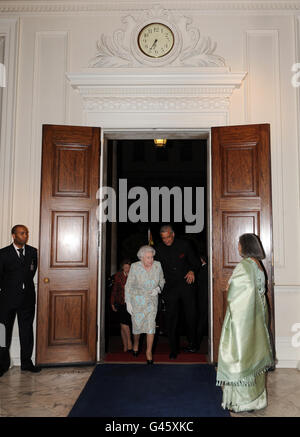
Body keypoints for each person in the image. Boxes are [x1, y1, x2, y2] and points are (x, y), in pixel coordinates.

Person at [216, 233, 274, 413]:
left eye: (239, 244)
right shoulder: (258, 265)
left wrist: (229, 288)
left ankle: (242, 402)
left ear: (245, 246)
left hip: (243, 321)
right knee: (254, 358)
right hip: (257, 319)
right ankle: (256, 400)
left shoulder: (244, 266)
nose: (237, 247)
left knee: (240, 357)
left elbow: (238, 294)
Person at [155, 225, 201, 359]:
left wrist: (192, 270)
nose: (166, 240)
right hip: (170, 287)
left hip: (187, 284)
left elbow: (196, 262)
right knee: (171, 318)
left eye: (168, 237)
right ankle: (173, 348)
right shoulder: (158, 248)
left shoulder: (185, 245)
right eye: (163, 238)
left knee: (191, 316)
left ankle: (193, 344)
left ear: (173, 234)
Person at [0, 225, 41, 376]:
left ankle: (26, 363)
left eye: (26, 233)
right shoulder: (3, 253)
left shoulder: (32, 252)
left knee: (27, 331)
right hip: (7, 300)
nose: (25, 236)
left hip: (27, 299)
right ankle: (2, 364)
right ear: (14, 235)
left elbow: (32, 271)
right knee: (3, 332)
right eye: (22, 233)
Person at [125, 245, 165, 364]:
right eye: (148, 257)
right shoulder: (135, 267)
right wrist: (128, 302)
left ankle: (149, 352)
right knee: (137, 327)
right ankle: (136, 343)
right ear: (141, 258)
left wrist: (158, 288)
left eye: (152, 257)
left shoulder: (158, 265)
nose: (151, 260)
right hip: (137, 300)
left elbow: (162, 280)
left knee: (151, 326)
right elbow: (129, 285)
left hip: (152, 300)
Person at [110, 259, 133, 353]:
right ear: (122, 266)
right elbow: (114, 290)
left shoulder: (133, 276)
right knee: (123, 323)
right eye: (125, 266)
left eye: (129, 266)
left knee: (124, 324)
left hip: (131, 303)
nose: (127, 268)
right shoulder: (118, 276)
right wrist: (112, 302)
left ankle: (127, 343)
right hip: (120, 302)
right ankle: (127, 343)